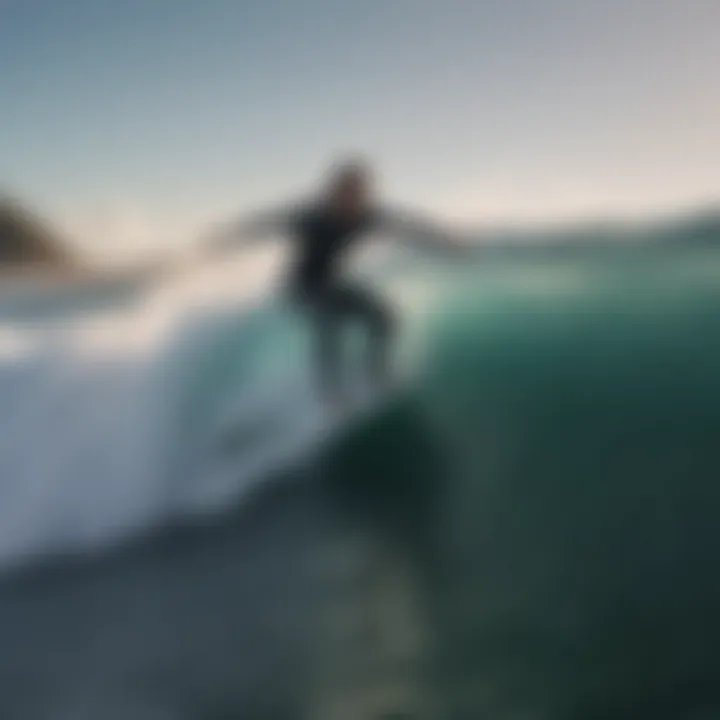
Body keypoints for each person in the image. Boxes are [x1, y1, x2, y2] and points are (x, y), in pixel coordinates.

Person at [206, 159, 465, 408]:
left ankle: (377, 374)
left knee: (385, 318)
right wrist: (222, 242)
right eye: (344, 193)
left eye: (358, 194)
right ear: (332, 193)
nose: (350, 200)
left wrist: (445, 242)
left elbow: (409, 226)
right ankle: (331, 394)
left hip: (331, 283)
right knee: (329, 322)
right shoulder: (310, 217)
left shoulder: (368, 216)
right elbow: (262, 225)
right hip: (300, 286)